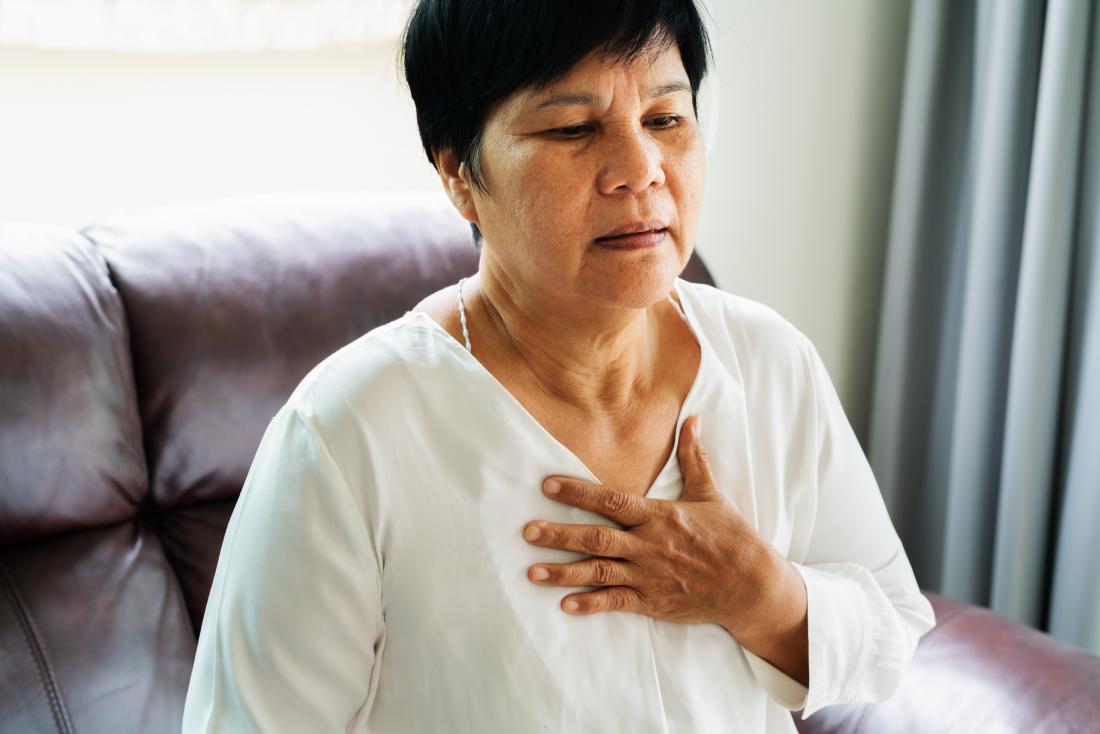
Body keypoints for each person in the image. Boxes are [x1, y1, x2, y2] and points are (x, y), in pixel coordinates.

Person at [181, 0, 937, 731]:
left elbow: (890, 635)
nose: (640, 170)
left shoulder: (768, 362)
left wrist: (758, 593)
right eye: (575, 128)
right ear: (458, 173)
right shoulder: (350, 431)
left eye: (666, 119)